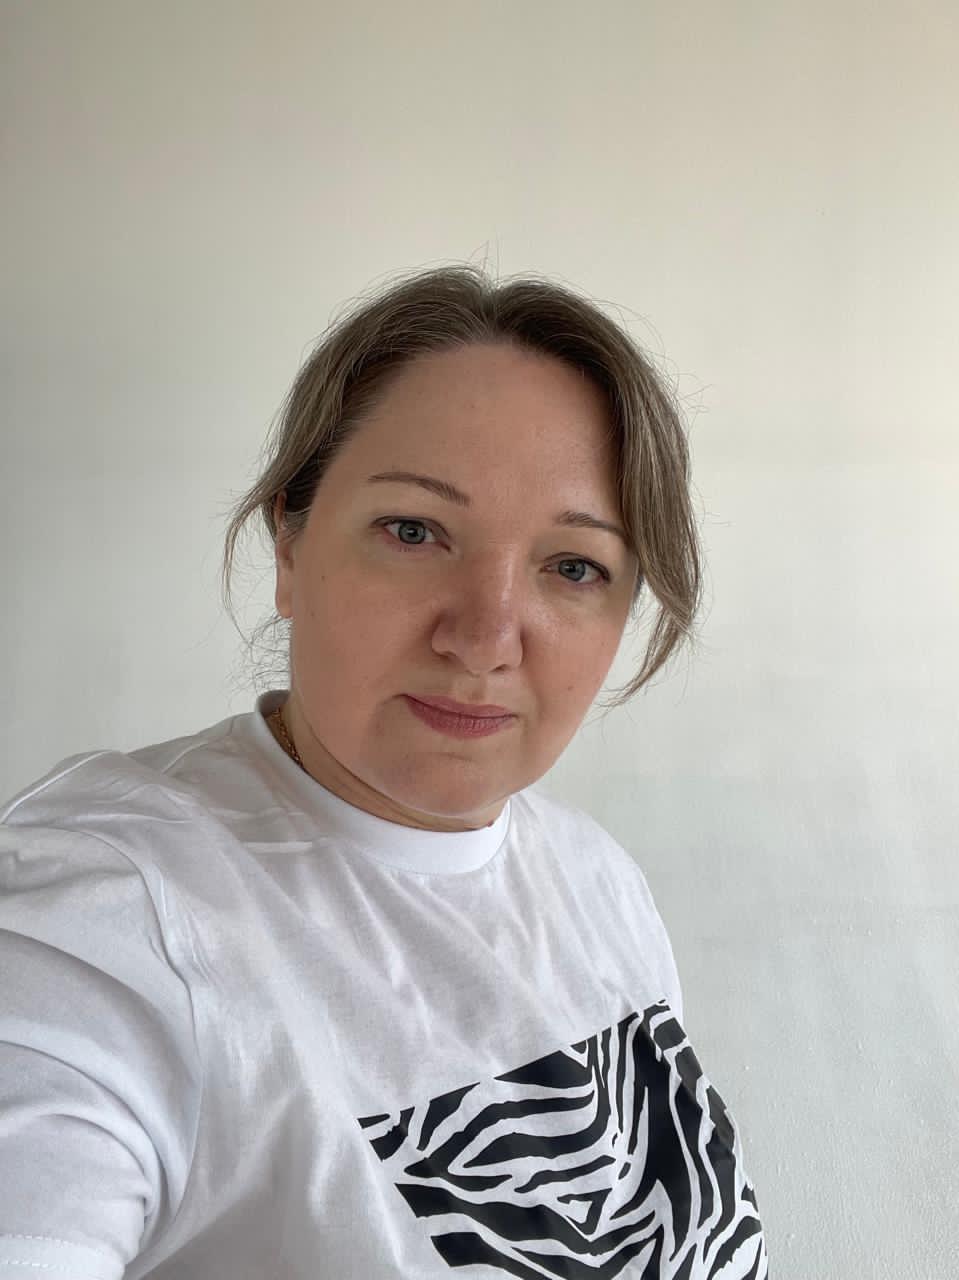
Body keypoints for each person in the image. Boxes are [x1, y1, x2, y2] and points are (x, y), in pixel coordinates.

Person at [0, 266, 768, 1279]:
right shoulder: (100, 915)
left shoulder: (597, 883)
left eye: (573, 565)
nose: (484, 637)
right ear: (289, 544)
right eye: (413, 531)